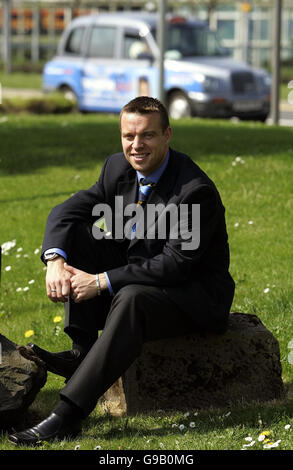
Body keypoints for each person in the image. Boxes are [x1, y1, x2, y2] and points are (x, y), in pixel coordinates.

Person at [9, 96, 235, 445]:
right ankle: (82, 353)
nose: (136, 145)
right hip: (145, 276)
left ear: (167, 135)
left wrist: (100, 281)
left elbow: (175, 265)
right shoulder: (117, 168)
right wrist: (54, 260)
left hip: (195, 297)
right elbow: (67, 210)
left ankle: (67, 415)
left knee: (130, 298)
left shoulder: (194, 191)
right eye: (128, 136)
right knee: (83, 236)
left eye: (147, 135)